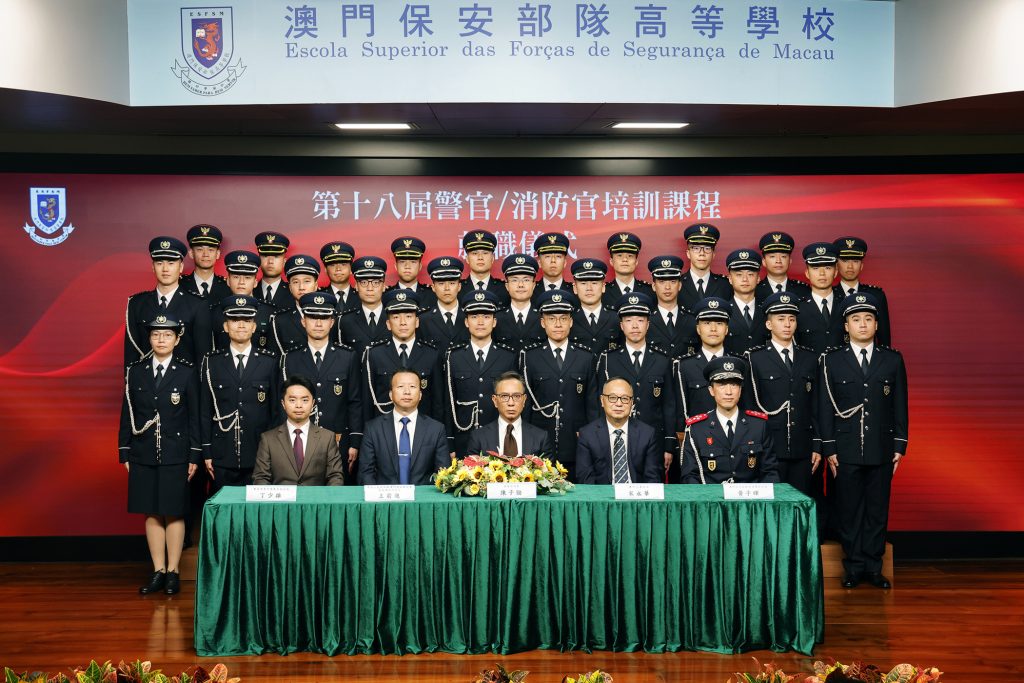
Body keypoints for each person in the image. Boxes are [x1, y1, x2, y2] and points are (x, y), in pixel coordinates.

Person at [819, 292, 908, 590]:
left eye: (868, 319)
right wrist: (829, 446)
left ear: (876, 324)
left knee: (877, 510)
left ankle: (873, 566)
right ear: (846, 326)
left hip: (881, 448)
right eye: (856, 319)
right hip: (845, 449)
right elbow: (825, 407)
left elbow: (900, 405)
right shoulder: (832, 360)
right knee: (849, 510)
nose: (862, 324)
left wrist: (899, 445)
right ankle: (854, 566)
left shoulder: (892, 360)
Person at [118, 314, 200, 596]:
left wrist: (194, 455)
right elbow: (127, 412)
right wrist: (124, 449)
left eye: (167, 335)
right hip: (143, 451)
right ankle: (158, 571)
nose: (161, 339)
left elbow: (194, 417)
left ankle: (174, 572)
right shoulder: (136, 371)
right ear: (149, 339)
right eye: (156, 335)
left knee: (173, 511)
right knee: (151, 511)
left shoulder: (187, 372)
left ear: (177, 340)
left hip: (176, 452)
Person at [743, 291, 821, 498]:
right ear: (769, 324)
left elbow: (816, 405)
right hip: (768, 448)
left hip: (803, 447)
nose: (787, 324)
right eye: (781, 319)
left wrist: (817, 444)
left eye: (792, 319)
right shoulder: (754, 358)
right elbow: (750, 406)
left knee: (801, 504)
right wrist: (753, 447)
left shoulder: (809, 358)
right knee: (770, 505)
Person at [200, 295, 281, 488]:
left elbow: (276, 412)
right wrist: (207, 451)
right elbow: (204, 411)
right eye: (235, 320)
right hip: (222, 452)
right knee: (222, 506)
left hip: (259, 452)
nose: (241, 325)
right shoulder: (211, 362)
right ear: (226, 326)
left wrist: (274, 452)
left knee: (258, 507)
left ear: (254, 327)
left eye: (247, 320)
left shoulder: (270, 362)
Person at [280, 291, 362, 480]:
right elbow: (282, 404)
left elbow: (355, 402)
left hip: (338, 440)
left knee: (337, 491)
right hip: (299, 441)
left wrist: (355, 442)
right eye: (312, 317)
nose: (318, 323)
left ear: (332, 322)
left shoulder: (347, 357)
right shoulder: (289, 359)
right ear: (303, 321)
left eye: (324, 318)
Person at [520, 289, 599, 481]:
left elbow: (592, 404)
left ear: (571, 322)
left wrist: (591, 437)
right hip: (539, 443)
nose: (558, 324)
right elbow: (525, 404)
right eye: (551, 319)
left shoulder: (586, 357)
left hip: (576, 442)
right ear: (542, 322)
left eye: (563, 319)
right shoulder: (529, 357)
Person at [596, 293, 677, 471]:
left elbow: (669, 404)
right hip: (616, 438)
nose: (634, 326)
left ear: (648, 324)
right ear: (621, 325)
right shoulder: (608, 359)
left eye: (640, 320)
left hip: (654, 440)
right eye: (628, 320)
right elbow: (600, 403)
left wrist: (669, 445)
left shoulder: (663, 360)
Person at [442, 289, 518, 458]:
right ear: (466, 322)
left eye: (486, 316)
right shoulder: (453, 357)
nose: (481, 322)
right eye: (474, 316)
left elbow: (515, 400)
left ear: (494, 322)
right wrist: (449, 441)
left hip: (499, 437)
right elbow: (448, 402)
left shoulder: (508, 356)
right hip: (464, 437)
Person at [680, 356, 778, 484]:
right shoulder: (697, 429)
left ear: (740, 390)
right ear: (711, 390)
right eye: (721, 385)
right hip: (712, 496)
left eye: (734, 384)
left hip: (749, 496)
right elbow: (689, 476)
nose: (729, 392)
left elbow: (770, 472)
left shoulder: (759, 426)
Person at [124, 236, 211, 368]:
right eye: (159, 263)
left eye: (171, 263)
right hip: (146, 378)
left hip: (185, 380)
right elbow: (131, 354)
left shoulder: (197, 305)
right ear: (153, 267)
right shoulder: (136, 304)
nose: (165, 269)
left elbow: (203, 357)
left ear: (181, 267)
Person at [357, 368, 450, 485]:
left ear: (420, 395)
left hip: (422, 495)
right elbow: (366, 473)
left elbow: (443, 474)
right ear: (390, 395)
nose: (407, 392)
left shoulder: (436, 429)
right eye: (400, 386)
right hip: (385, 495)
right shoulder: (373, 429)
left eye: (412, 386)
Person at [362, 289, 442, 423]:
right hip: (384, 428)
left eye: (408, 316)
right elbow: (366, 401)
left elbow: (438, 403)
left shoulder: (432, 354)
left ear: (417, 321)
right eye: (396, 317)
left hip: (423, 429)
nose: (403, 322)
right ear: (388, 324)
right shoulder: (374, 355)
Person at [252, 375, 345, 486]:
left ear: (313, 403)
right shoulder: (268, 439)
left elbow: (335, 477)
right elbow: (261, 478)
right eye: (292, 400)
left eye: (305, 400)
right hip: (282, 497)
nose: (299, 405)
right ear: (283, 403)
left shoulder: (327, 438)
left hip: (315, 497)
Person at [575, 377, 662, 485]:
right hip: (602, 494)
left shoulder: (647, 434)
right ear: (602, 400)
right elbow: (585, 479)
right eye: (612, 398)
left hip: (635, 493)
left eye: (625, 398)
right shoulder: (587, 434)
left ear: (632, 402)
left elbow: (653, 479)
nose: (619, 404)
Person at [466, 371, 554, 458]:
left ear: (524, 400)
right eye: (504, 396)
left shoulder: (541, 437)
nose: (511, 403)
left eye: (517, 396)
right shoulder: (478, 437)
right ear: (495, 400)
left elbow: (548, 467)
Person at [673, 296, 731, 425]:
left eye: (719, 323)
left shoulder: (739, 364)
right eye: (707, 323)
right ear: (698, 329)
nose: (713, 329)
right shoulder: (684, 366)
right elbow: (680, 412)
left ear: (726, 329)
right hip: (697, 434)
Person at [210, 249, 276, 354]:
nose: (241, 282)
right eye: (236, 277)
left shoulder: (269, 312)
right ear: (228, 281)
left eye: (247, 277)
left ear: (255, 282)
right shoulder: (215, 312)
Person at [833, 236, 892, 346]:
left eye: (855, 261)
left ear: (861, 266)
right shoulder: (828, 295)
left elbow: (884, 337)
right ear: (836, 265)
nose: (850, 266)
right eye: (845, 261)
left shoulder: (876, 295)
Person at [796, 242, 846, 354]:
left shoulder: (846, 304)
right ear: (807, 273)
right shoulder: (797, 308)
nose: (822, 273)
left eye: (828, 268)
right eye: (815, 268)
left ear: (835, 272)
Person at [336, 256, 391, 356]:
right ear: (356, 286)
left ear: (384, 286)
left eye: (376, 283)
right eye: (364, 282)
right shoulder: (344, 321)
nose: (370, 288)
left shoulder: (395, 317)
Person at [646, 254, 698, 359]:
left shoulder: (693, 320)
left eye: (673, 281)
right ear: (654, 286)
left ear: (680, 285)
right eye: (661, 282)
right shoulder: (645, 321)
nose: (667, 287)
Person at [271, 254, 323, 355]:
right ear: (290, 287)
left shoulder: (330, 317)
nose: (301, 287)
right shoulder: (279, 321)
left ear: (316, 285)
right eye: (295, 282)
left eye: (307, 281)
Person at [569, 258, 622, 356]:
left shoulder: (617, 318)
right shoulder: (568, 319)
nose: (589, 288)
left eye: (594, 283)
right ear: (575, 288)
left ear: (603, 287)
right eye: (583, 283)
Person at [494, 253, 544, 353]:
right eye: (514, 280)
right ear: (507, 286)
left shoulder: (544, 318)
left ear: (534, 285)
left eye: (526, 280)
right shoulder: (495, 318)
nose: (521, 285)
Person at [724, 248, 770, 355]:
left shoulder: (767, 312)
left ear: (758, 278)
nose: (745, 279)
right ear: (730, 279)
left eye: (750, 274)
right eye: (739, 275)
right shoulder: (722, 312)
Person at [418, 256, 469, 350]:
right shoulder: (423, 320)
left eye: (452, 283)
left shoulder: (470, 316)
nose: (447, 288)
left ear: (459, 286)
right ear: (433, 287)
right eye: (441, 283)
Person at [679, 223, 731, 311]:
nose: (702, 253)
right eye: (696, 248)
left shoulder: (725, 285)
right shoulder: (676, 284)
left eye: (707, 248)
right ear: (688, 253)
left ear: (713, 254)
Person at [755, 231, 811, 303]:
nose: (778, 261)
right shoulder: (754, 290)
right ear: (764, 262)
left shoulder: (804, 290)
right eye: (772, 256)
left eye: (783, 256)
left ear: (790, 261)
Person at [180, 224, 230, 301]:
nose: (206, 254)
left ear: (218, 254)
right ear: (191, 253)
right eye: (200, 249)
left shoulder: (228, 286)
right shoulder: (179, 284)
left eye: (211, 250)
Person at [460, 230, 509, 306]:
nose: (480, 257)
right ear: (467, 259)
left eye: (485, 253)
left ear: (492, 258)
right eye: (475, 253)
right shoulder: (457, 288)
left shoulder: (505, 289)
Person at [602, 232, 652, 305]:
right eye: (619, 255)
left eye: (630, 256)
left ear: (636, 261)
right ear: (611, 261)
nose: (625, 259)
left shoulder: (650, 291)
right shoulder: (602, 292)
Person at [386, 236, 436, 309]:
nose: (407, 266)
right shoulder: (385, 295)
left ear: (420, 266)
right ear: (396, 266)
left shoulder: (433, 295)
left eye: (413, 262)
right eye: (402, 262)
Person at [254, 230, 292, 311]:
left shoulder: (293, 292)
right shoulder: (249, 290)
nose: (270, 261)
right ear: (258, 259)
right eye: (265, 256)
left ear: (284, 261)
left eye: (276, 256)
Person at [532, 232, 574, 302]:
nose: (553, 260)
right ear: (539, 263)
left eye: (558, 256)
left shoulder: (575, 291)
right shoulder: (530, 290)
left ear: (565, 263)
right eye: (547, 256)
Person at [319, 241, 359, 313]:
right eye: (332, 265)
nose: (338, 269)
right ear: (325, 270)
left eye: (343, 264)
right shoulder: (318, 296)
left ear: (351, 269)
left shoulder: (362, 296)